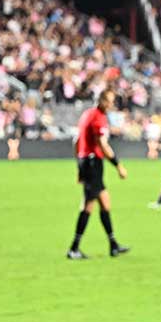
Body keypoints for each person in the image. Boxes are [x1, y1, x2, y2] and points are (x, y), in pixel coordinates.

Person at [67, 90, 130, 259]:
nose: (111, 104)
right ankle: (74, 248)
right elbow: (103, 145)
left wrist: (79, 166)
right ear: (102, 101)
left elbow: (77, 141)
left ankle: (113, 245)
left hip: (86, 161)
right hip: (93, 162)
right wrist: (118, 166)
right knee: (88, 205)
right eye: (109, 101)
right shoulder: (99, 118)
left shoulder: (87, 114)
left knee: (105, 202)